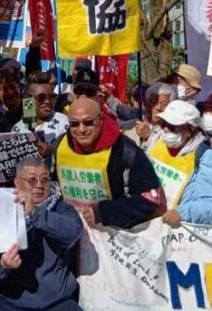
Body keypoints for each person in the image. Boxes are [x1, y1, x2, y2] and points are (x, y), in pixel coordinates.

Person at [0, 157, 88, 311]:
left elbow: (73, 232)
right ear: (17, 182)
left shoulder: (60, 207)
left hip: (58, 302)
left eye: (44, 180)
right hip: (11, 303)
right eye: (31, 180)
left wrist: (36, 212)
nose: (39, 185)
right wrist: (3, 265)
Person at [54, 96, 164, 228]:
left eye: (88, 122)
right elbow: (52, 185)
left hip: (114, 234)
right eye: (74, 124)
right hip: (73, 230)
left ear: (100, 119)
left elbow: (150, 197)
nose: (81, 129)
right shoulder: (59, 146)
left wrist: (104, 212)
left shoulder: (125, 150)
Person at [147, 100, 212, 226]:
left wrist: (183, 213)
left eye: (173, 126)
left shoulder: (206, 157)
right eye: (164, 123)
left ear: (191, 129)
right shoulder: (157, 142)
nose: (166, 129)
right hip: (150, 225)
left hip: (179, 234)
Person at [13, 72, 70, 167]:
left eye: (52, 97)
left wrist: (52, 150)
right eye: (41, 98)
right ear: (28, 100)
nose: (47, 101)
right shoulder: (17, 129)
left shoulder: (64, 122)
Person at [129, 82, 176, 150]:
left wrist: (149, 135)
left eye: (164, 104)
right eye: (154, 102)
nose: (158, 107)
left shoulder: (171, 129)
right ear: (147, 103)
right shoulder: (137, 121)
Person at [0, 67, 24, 133]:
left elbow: (33, 129)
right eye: (4, 89)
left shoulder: (29, 105)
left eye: (13, 87)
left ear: (19, 87)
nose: (10, 92)